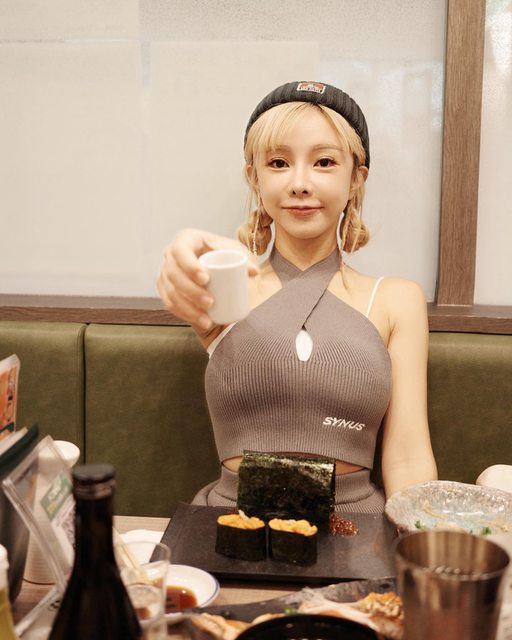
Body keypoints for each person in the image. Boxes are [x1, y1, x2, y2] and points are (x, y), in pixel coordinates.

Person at [157, 80, 438, 513]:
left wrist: (422, 544)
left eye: (324, 162)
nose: (300, 183)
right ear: (254, 176)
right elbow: (183, 269)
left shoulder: (396, 300)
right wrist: (181, 258)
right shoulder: (229, 288)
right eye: (278, 163)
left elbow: (408, 458)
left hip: (354, 526)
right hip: (230, 523)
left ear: (356, 178)